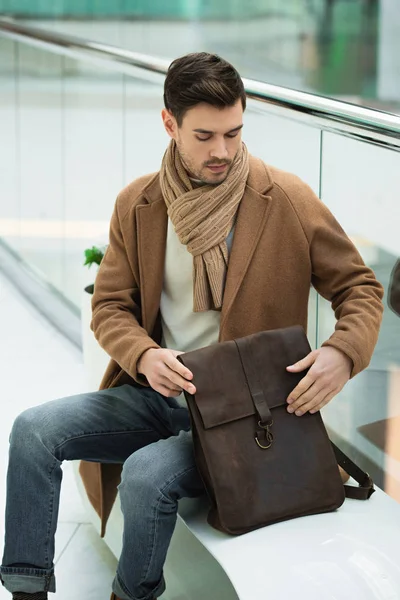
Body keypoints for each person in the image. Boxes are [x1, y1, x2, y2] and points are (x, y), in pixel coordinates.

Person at [0, 52, 384, 600]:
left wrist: (343, 353)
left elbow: (361, 288)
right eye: (205, 135)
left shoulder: (286, 199)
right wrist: (143, 355)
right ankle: (27, 589)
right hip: (158, 393)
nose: (222, 151)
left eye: (234, 132)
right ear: (169, 123)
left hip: (242, 419)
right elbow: (109, 305)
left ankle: (130, 595)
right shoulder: (139, 204)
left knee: (146, 476)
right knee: (33, 430)